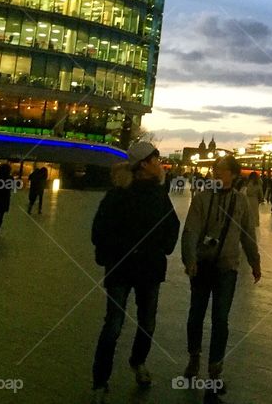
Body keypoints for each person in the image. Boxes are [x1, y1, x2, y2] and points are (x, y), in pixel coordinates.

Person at [90, 142, 179, 403]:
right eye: (156, 158)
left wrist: (161, 249)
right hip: (123, 267)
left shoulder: (158, 194)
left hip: (148, 268)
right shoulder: (119, 194)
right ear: (144, 164)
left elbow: (171, 225)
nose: (159, 163)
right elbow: (100, 231)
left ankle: (137, 361)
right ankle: (100, 380)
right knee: (114, 325)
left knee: (146, 322)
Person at [181, 156, 261, 398]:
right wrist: (190, 259)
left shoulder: (241, 201)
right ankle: (194, 356)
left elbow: (247, 233)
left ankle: (215, 370)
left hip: (227, 267)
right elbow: (191, 230)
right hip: (203, 265)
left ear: (234, 175)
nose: (216, 173)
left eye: (222, 170)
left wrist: (254, 261)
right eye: (215, 169)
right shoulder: (202, 198)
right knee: (196, 315)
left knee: (220, 319)